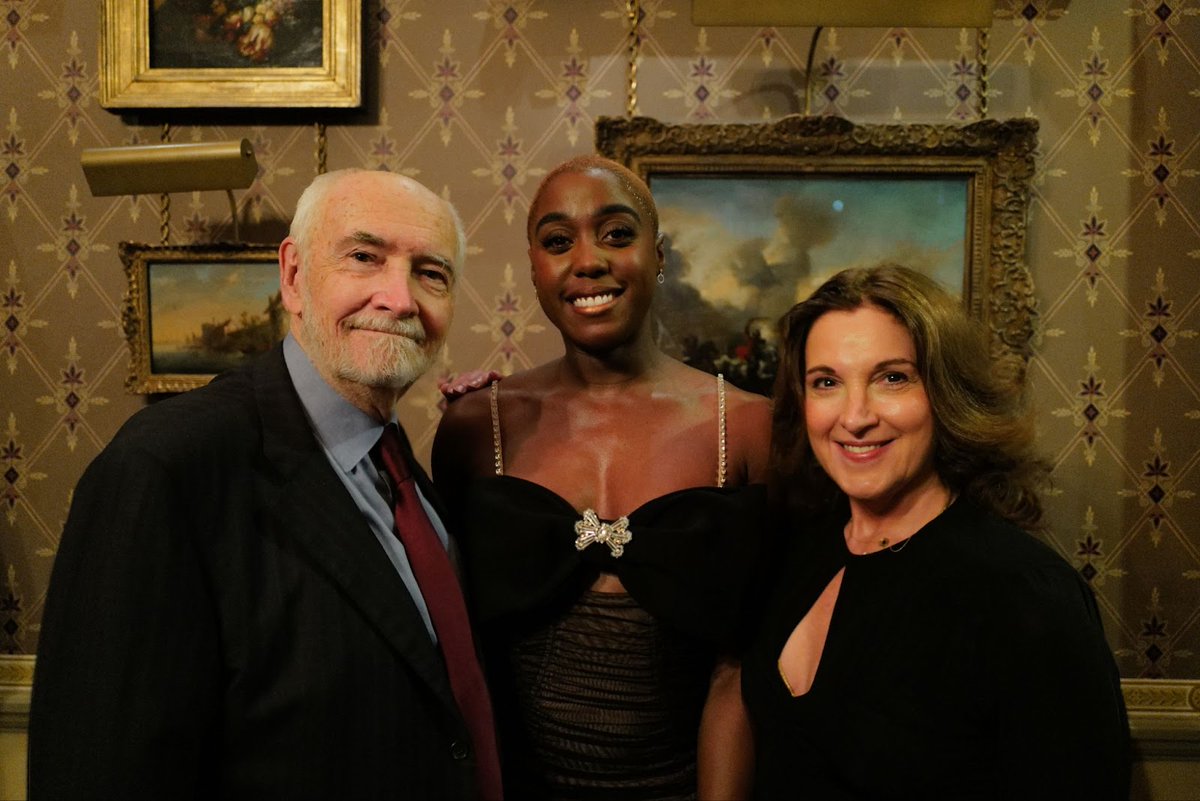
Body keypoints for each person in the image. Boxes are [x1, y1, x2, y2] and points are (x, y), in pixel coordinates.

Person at [29, 168, 502, 800]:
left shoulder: (405, 475)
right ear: (295, 276)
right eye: (364, 257)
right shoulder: (167, 469)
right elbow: (97, 769)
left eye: (432, 273)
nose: (400, 298)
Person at [432, 155, 772, 800]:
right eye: (558, 242)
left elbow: (748, 665)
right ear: (534, 268)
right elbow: (456, 645)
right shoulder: (478, 429)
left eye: (617, 233)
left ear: (660, 253)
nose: (588, 261)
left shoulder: (750, 429)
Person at [741, 264, 1130, 799]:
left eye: (892, 377)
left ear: (946, 395)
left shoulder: (1022, 592)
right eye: (826, 382)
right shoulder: (799, 552)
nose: (855, 417)